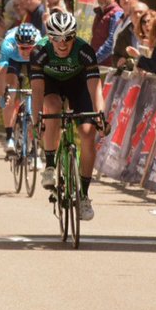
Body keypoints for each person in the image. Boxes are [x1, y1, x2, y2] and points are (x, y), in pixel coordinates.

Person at [30, 11, 104, 221]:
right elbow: (37, 90)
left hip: (77, 85)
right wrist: (36, 119)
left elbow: (95, 88)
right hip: (51, 84)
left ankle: (84, 196)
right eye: (56, 38)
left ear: (74, 36)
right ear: (49, 37)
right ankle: (51, 165)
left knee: (88, 134)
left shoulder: (84, 51)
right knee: (52, 107)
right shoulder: (39, 51)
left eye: (67, 38)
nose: (62, 44)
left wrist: (100, 115)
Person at [0, 23, 43, 155]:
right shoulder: (8, 45)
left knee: (37, 88)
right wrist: (2, 96)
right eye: (23, 48)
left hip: (34, 61)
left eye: (29, 48)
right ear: (17, 44)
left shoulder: (41, 44)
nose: (26, 51)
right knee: (10, 86)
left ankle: (35, 143)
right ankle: (9, 137)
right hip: (13, 59)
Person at [91, 0, 124, 67]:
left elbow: (112, 40)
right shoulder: (99, 13)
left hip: (107, 65)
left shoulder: (117, 13)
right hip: (98, 64)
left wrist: (95, 59)